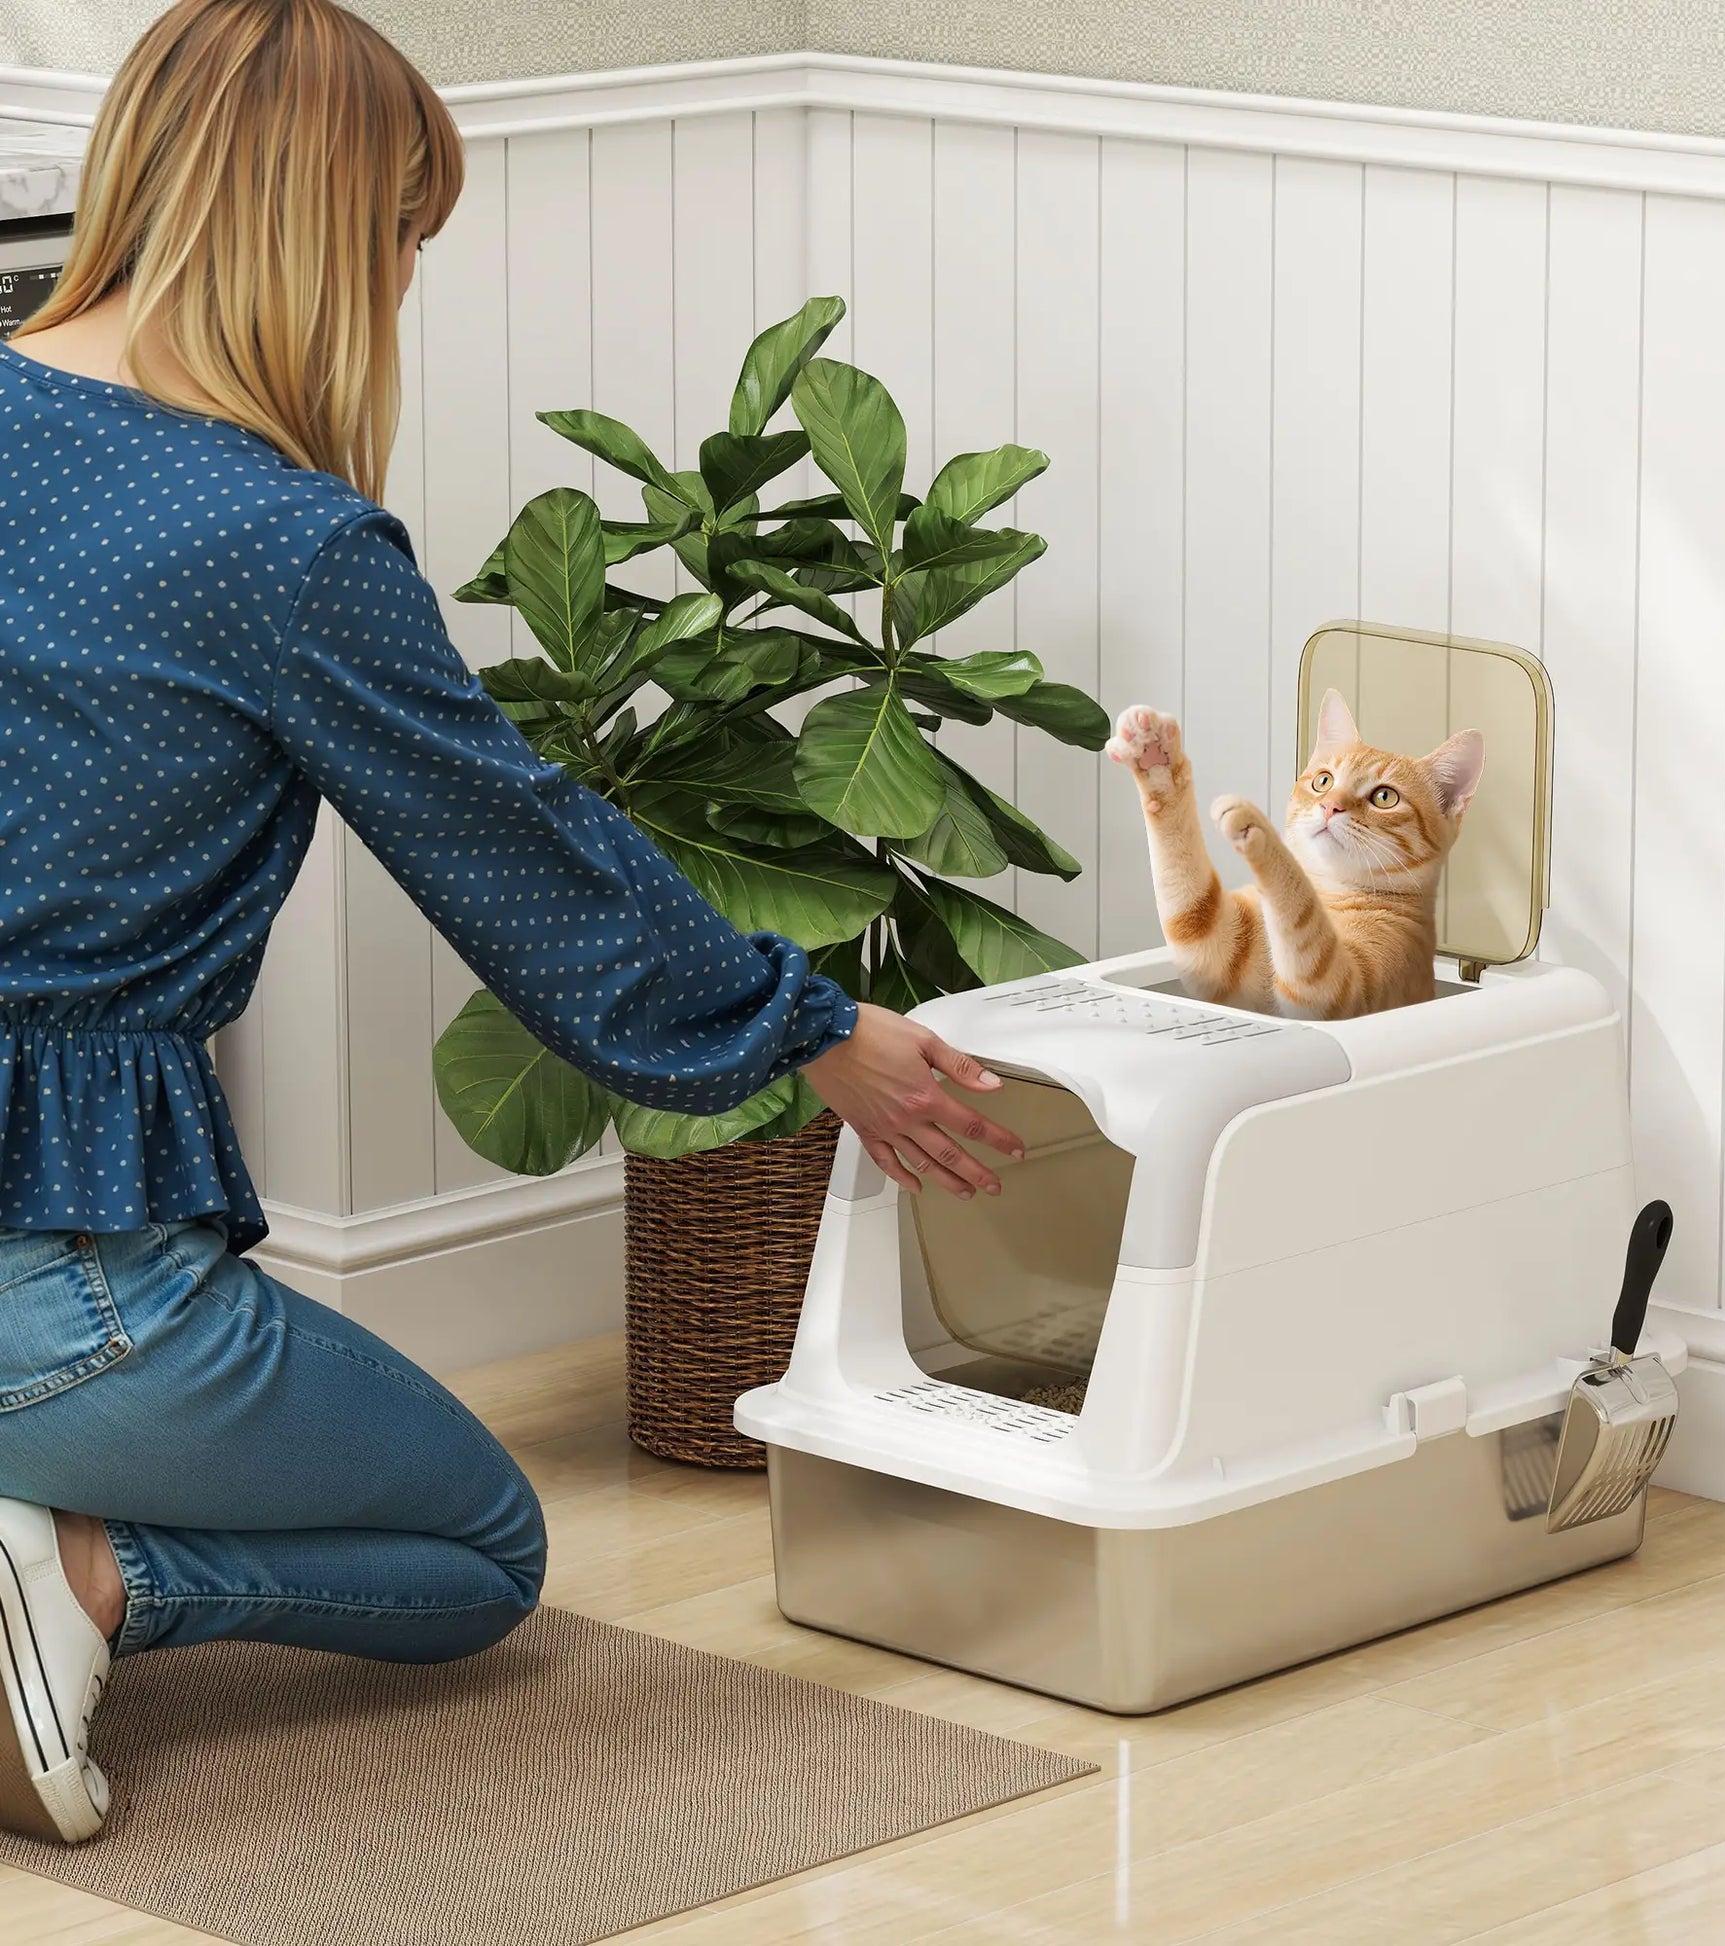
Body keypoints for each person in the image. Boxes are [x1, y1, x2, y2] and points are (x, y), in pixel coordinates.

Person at [0, 0, 1024, 1845]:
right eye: (407, 235)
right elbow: (528, 862)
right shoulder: (280, 545)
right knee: (480, 1548)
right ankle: (72, 1571)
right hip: (47, 1274)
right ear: (331, 235)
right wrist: (818, 1029)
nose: (408, 281)